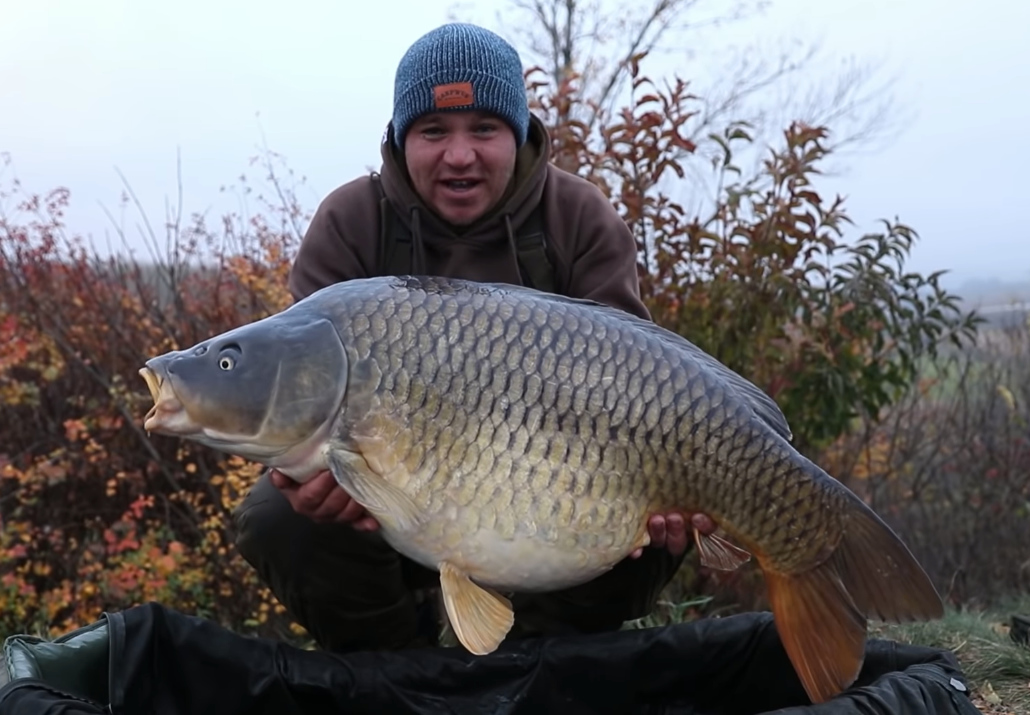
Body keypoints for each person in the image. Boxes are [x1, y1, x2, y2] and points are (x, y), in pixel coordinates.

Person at [232, 21, 714, 653]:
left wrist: (668, 494)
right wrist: (309, 484)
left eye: (483, 129)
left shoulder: (579, 218)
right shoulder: (352, 222)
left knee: (660, 512)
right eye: (434, 131)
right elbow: (298, 392)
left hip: (559, 505)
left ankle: (538, 668)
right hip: (393, 512)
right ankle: (393, 672)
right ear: (401, 139)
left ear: (518, 134)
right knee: (276, 516)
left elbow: (641, 392)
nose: (459, 156)